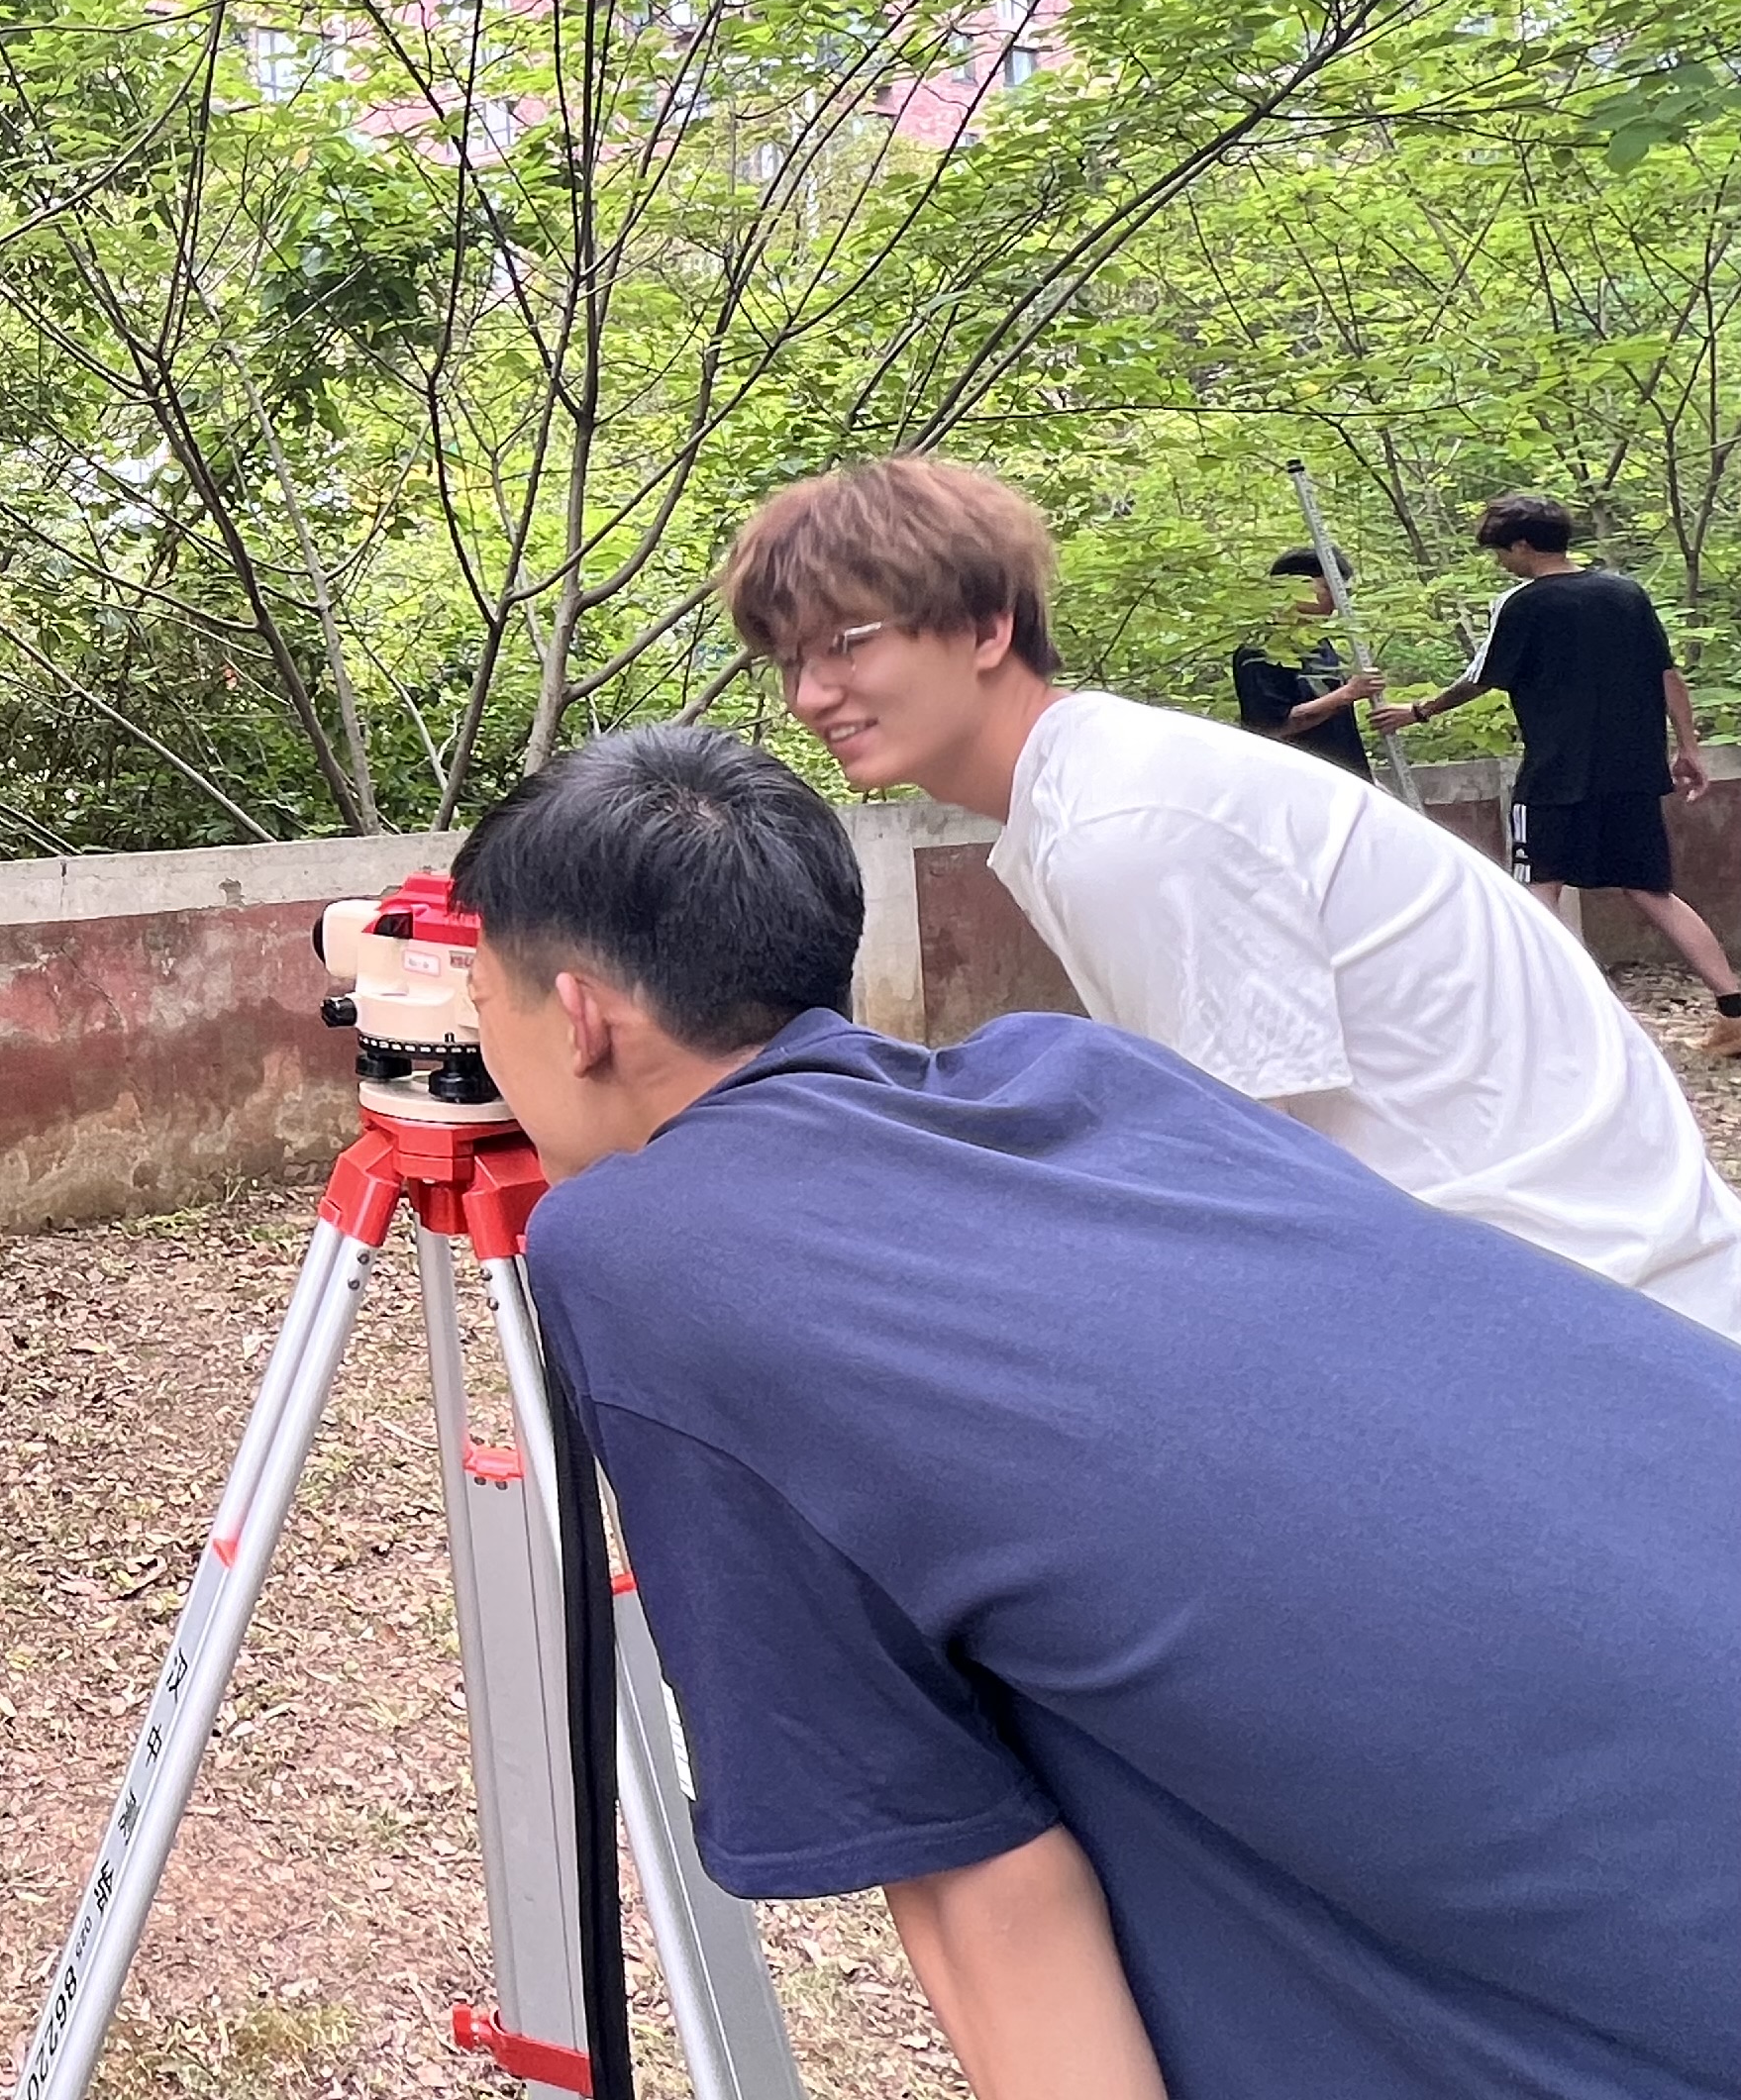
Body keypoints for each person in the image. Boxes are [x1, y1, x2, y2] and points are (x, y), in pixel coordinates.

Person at [451, 723, 1741, 2100]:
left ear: (579, 1017)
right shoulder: (1081, 1072)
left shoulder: (646, 1246)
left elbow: (975, 1879)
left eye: (481, 993)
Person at [718, 454, 1741, 1337]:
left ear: (988, 628)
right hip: (1521, 1278)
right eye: (789, 660)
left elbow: (1243, 1196)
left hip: (1595, 1307)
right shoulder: (1096, 789)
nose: (810, 695)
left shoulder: (1129, 821)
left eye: (849, 642)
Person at [1373, 489, 1741, 1051]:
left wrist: (1418, 711)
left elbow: (1480, 678)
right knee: (1651, 890)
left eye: (1502, 551)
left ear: (1523, 546)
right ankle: (1733, 1008)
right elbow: (1666, 673)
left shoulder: (1523, 604)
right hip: (1631, 772)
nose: (1501, 562)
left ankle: (1538, 1022)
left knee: (1534, 892)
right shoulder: (1625, 593)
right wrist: (1688, 746)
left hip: (1556, 775)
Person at [1227, 547, 1377, 776]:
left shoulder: (1320, 644)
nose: (1337, 600)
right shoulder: (1260, 651)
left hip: (1341, 775)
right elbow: (1272, 728)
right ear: (1293, 586)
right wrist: (1347, 693)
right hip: (1296, 779)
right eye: (1327, 587)